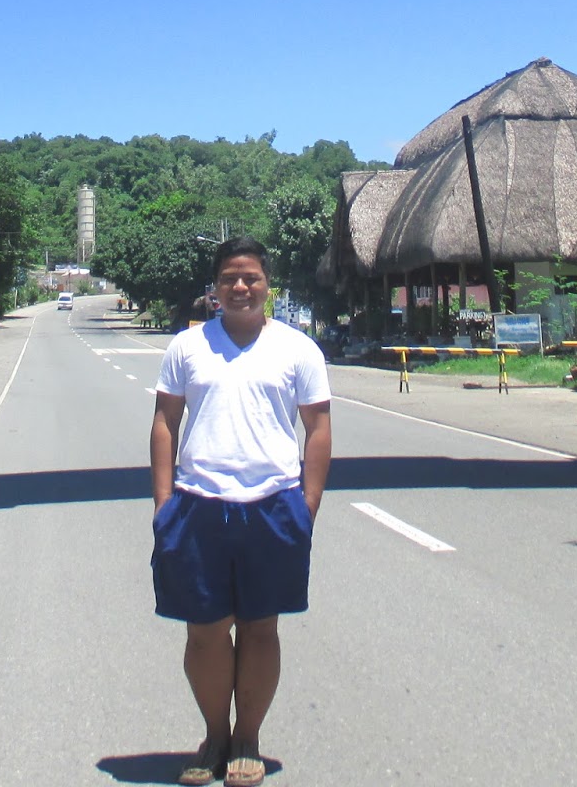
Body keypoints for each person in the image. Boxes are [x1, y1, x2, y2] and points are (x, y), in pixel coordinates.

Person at [150, 237, 333, 787]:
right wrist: (164, 508)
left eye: (251, 277)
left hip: (273, 506)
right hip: (198, 504)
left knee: (260, 629)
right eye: (230, 278)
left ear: (266, 284)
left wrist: (307, 507)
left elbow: (318, 430)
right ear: (215, 288)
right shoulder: (187, 348)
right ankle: (215, 735)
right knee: (203, 632)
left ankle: (248, 738)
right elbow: (165, 424)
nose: (240, 287)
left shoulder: (298, 350)